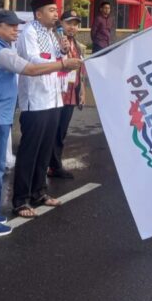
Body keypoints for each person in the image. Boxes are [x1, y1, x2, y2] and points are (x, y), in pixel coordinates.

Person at [0, 9, 81, 235]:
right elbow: (30, 69)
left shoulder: (3, 48)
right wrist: (62, 65)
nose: (15, 30)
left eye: (16, 25)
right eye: (10, 26)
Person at [12, 0, 83, 220]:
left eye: (56, 10)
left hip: (54, 99)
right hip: (36, 102)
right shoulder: (29, 34)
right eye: (51, 10)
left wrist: (62, 52)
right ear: (38, 14)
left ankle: (39, 192)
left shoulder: (53, 34)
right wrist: (62, 62)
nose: (56, 14)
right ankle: (20, 199)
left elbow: (57, 62)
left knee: (45, 150)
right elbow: (34, 62)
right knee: (29, 152)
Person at [53, 10, 86, 177]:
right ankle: (53, 165)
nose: (72, 27)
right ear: (61, 23)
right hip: (58, 93)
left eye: (75, 24)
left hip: (72, 93)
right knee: (54, 131)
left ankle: (55, 165)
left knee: (62, 131)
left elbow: (81, 70)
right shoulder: (56, 41)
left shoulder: (78, 46)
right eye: (69, 23)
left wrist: (82, 92)